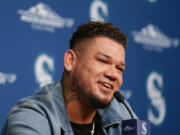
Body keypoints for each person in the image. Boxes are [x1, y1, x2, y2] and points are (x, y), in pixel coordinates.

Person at [1, 21, 137, 135]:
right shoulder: (30, 117)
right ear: (70, 61)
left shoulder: (122, 111)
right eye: (102, 61)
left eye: (119, 68)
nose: (113, 74)